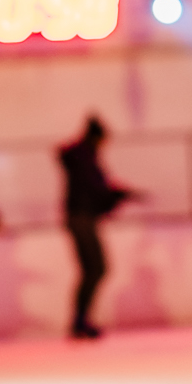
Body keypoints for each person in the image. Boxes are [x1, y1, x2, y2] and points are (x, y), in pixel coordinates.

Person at [58, 116, 133, 340]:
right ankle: (80, 321)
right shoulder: (85, 159)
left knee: (93, 270)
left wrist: (113, 196)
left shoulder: (84, 158)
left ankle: (80, 321)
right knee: (96, 269)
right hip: (82, 218)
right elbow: (95, 189)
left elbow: (95, 188)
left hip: (82, 218)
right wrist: (115, 196)